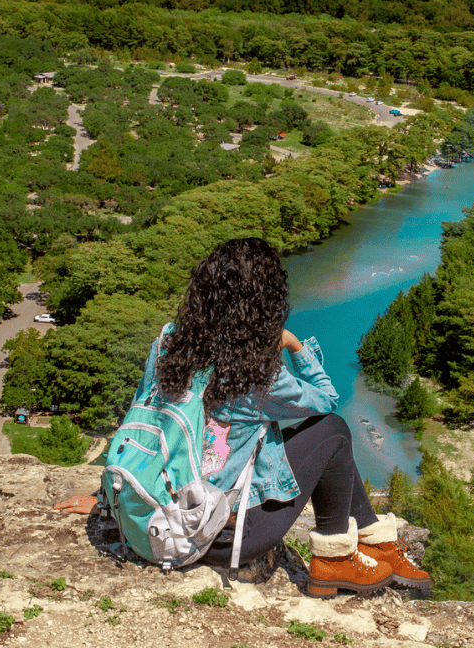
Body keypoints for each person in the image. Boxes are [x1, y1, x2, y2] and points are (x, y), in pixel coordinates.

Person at [148, 236, 431, 597]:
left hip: (156, 521)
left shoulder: (167, 345)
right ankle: (337, 557)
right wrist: (295, 346)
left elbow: (142, 424)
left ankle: (376, 544)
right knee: (333, 431)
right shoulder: (251, 370)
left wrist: (110, 497)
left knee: (325, 435)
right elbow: (327, 400)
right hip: (221, 536)